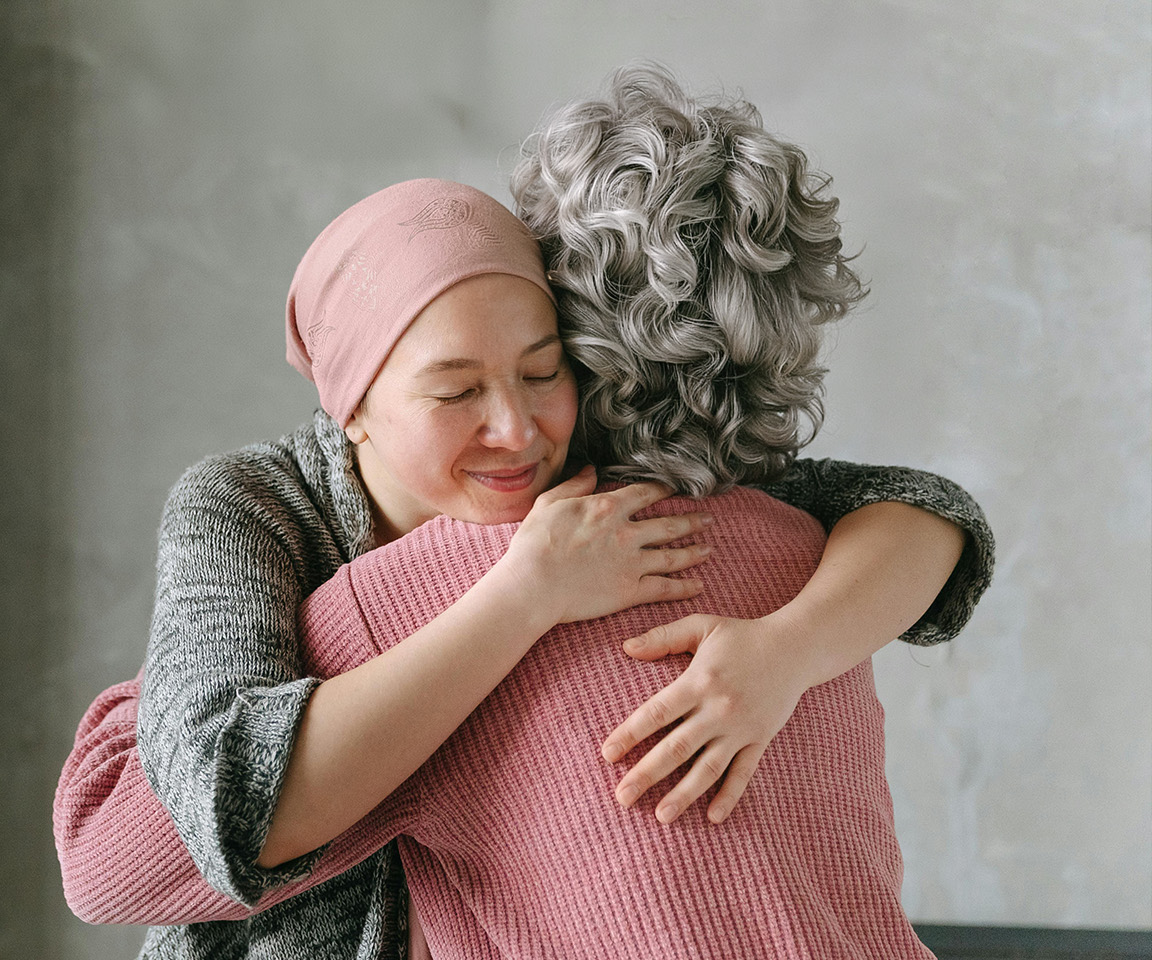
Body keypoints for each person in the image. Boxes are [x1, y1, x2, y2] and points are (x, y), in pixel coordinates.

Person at [55, 66, 993, 960]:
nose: (513, 427)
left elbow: (916, 513)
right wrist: (521, 598)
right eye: (454, 391)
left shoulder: (579, 486)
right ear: (351, 408)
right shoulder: (251, 508)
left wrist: (783, 652)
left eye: (543, 372)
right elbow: (187, 812)